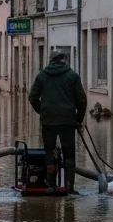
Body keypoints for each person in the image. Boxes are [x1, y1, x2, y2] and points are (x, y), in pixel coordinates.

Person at [29, 50, 87, 192]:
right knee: (69, 153)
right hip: (68, 121)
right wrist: (78, 119)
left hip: (48, 121)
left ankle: (51, 186)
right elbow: (82, 100)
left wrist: (42, 111)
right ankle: (69, 188)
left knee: (50, 152)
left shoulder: (42, 76)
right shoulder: (72, 76)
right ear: (64, 60)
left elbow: (32, 97)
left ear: (50, 60)